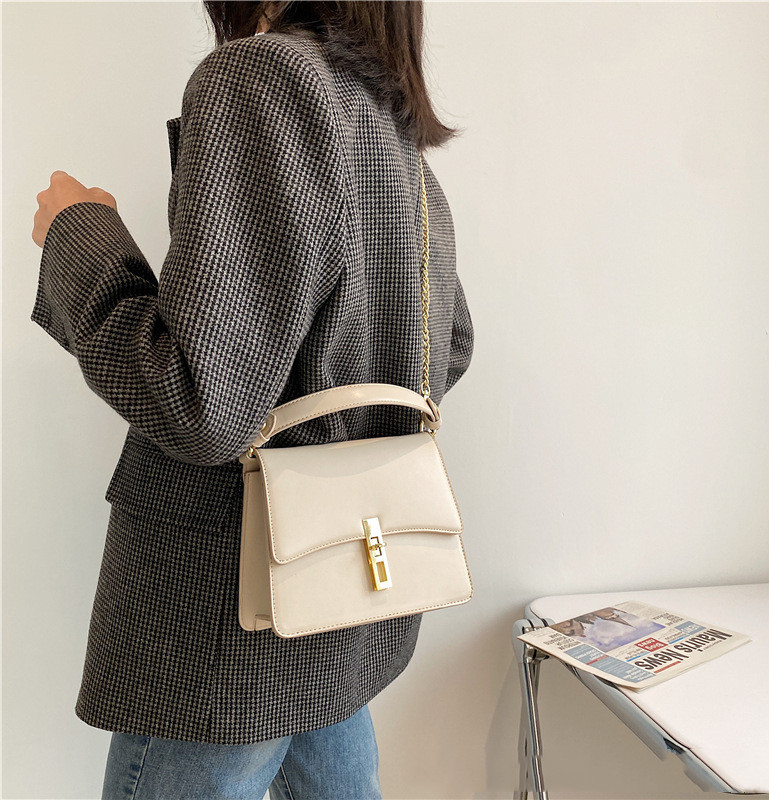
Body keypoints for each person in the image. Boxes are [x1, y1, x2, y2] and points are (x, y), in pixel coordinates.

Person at [30, 1, 475, 798]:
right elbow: (453, 345)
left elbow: (199, 404)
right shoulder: (384, 115)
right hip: (341, 591)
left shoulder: (264, 78)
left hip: (228, 619)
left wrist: (79, 232)